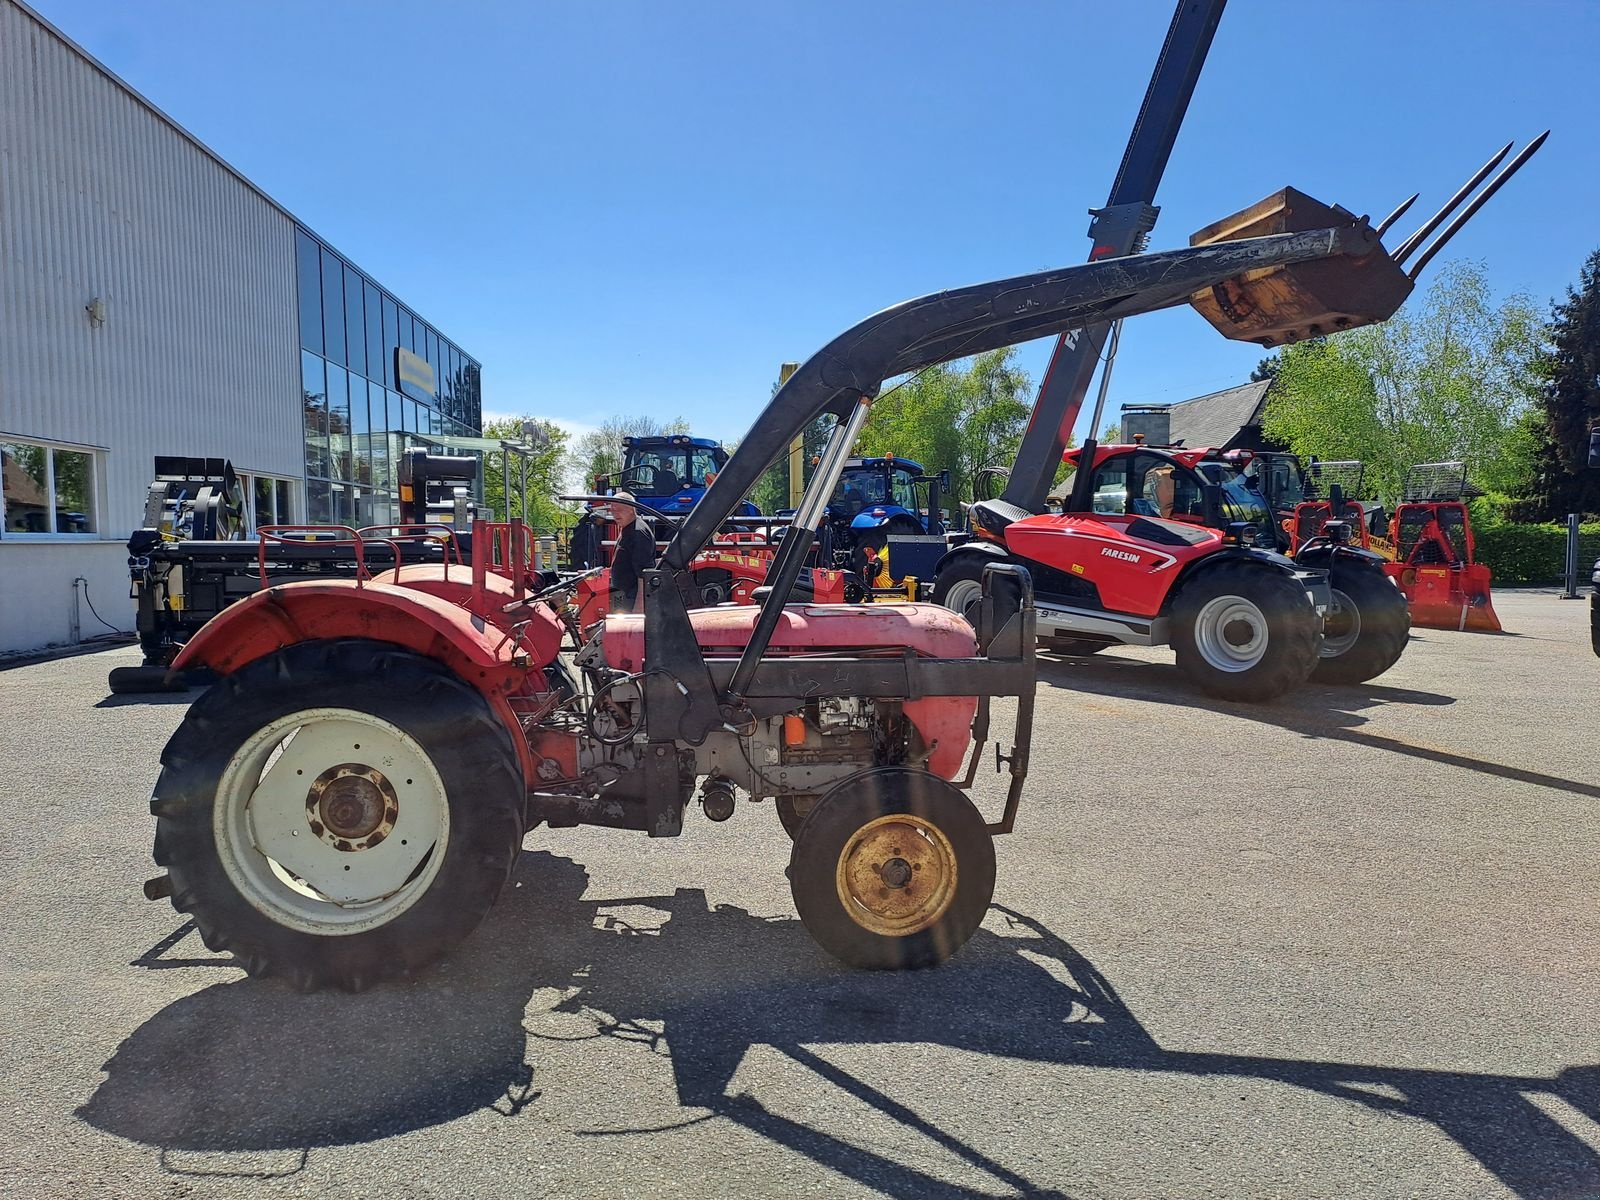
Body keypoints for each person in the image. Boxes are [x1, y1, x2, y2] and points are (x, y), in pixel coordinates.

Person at [607, 491, 656, 613]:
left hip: (632, 599)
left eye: (619, 509)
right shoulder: (628, 529)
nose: (615, 514)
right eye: (612, 510)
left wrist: (640, 606)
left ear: (631, 509)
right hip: (623, 596)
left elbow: (644, 573)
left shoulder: (638, 532)